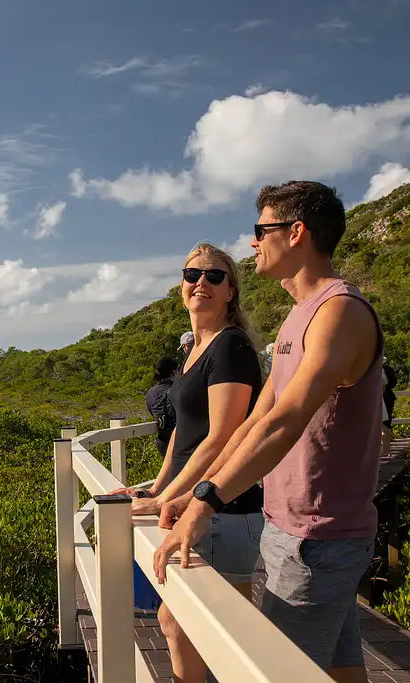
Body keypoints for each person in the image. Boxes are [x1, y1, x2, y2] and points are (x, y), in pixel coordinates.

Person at [152, 181, 383, 683]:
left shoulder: (338, 311)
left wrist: (207, 503)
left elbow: (287, 418)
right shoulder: (297, 318)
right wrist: (193, 491)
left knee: (274, 672)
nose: (254, 242)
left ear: (296, 232)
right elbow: (255, 421)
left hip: (318, 537)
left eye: (263, 230)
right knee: (343, 671)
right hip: (292, 529)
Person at [115, 243, 265, 683]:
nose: (201, 282)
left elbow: (223, 435)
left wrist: (175, 495)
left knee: (200, 629)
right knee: (184, 624)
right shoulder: (195, 350)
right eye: (192, 274)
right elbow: (183, 429)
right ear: (181, 286)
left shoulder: (230, 347)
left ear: (230, 292)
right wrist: (157, 489)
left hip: (222, 508)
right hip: (189, 501)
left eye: (214, 276)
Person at [146, 356, 179, 459]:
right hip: (180, 440)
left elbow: (152, 411)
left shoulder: (151, 392)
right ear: (173, 372)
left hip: (163, 441)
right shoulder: (178, 388)